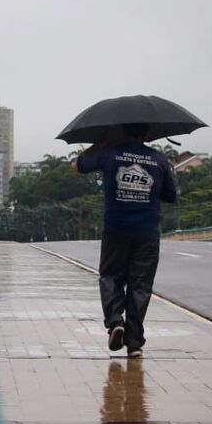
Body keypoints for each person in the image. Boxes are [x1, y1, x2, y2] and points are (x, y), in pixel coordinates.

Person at [72, 124, 177, 357]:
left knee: (110, 277)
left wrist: (99, 145)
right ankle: (134, 343)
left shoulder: (109, 153)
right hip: (147, 233)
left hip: (115, 230)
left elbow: (76, 166)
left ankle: (115, 321)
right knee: (140, 286)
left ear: (121, 131)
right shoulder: (159, 159)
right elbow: (171, 196)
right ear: (146, 133)